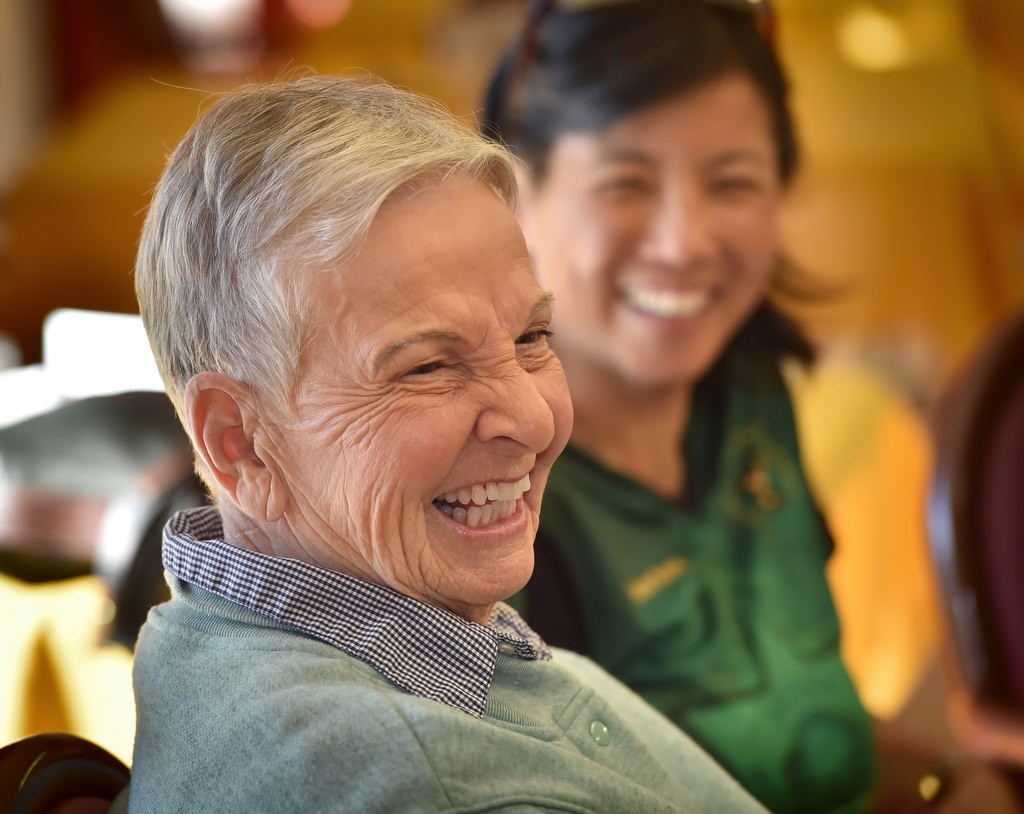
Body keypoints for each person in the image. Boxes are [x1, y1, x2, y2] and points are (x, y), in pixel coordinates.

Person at [119, 72, 768, 813]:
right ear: (242, 445)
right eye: (427, 366)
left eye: (532, 337)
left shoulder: (223, 639)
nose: (534, 418)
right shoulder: (416, 782)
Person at [479, 1, 1023, 812]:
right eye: (627, 182)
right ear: (517, 195)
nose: (685, 240)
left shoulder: (751, 400)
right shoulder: (488, 482)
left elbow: (801, 708)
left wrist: (949, 779)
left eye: (731, 182)